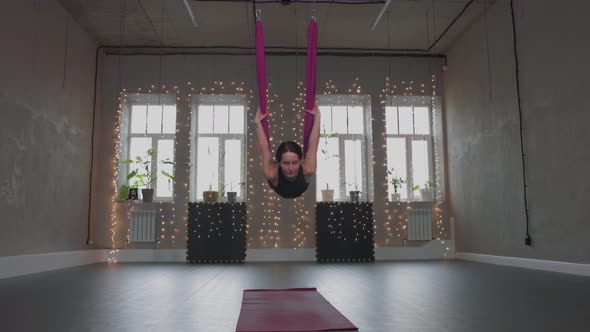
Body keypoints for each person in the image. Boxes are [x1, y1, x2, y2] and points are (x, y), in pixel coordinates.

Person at [254, 105, 321, 198]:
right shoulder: (272, 174)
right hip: (279, 188)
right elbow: (263, 147)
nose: (291, 168)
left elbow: (314, 144)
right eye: (285, 163)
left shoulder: (308, 169)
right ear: (279, 163)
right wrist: (258, 122)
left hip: (300, 188)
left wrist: (317, 117)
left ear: (301, 161)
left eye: (295, 163)